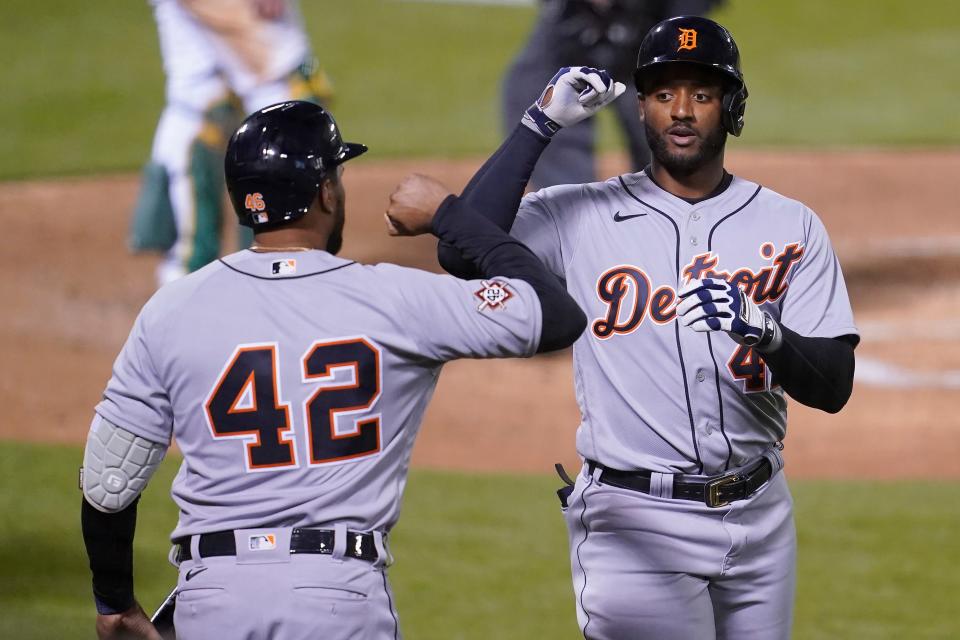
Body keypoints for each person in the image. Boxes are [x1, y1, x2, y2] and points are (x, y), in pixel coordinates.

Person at [79, 80, 623, 639]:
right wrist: (447, 215)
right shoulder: (396, 300)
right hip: (335, 597)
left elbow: (109, 480)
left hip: (210, 596)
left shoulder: (171, 309)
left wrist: (115, 600)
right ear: (327, 195)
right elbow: (556, 315)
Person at [440, 16, 858, 639]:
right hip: (633, 519)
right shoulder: (578, 215)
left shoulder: (791, 225)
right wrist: (539, 126)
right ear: (641, 109)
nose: (682, 111)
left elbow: (834, 385)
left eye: (702, 94)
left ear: (733, 107)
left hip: (761, 517)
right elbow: (461, 248)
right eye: (664, 95)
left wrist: (766, 333)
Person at [129, 0, 333, 287]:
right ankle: (187, 313)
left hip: (252, 91)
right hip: (199, 111)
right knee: (191, 250)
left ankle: (267, 291)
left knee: (276, 228)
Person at [502, 0, 722, 189]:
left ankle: (671, 210)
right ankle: (571, 220)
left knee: (674, 107)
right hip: (572, 25)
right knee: (534, 88)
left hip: (659, 25)